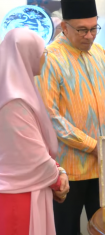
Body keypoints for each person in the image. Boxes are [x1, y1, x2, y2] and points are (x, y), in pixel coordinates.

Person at [35, 0, 105, 235]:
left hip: (103, 165)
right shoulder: (49, 58)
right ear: (64, 27)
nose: (90, 36)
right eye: (82, 30)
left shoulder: (99, 52)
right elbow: (51, 118)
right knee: (66, 230)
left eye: (94, 28)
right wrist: (94, 145)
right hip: (68, 170)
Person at [0, 28, 69, 235]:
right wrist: (58, 179)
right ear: (28, 54)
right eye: (42, 52)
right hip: (18, 194)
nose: (44, 57)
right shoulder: (14, 101)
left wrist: (58, 171)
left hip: (22, 188)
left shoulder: (15, 93)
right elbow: (31, 156)